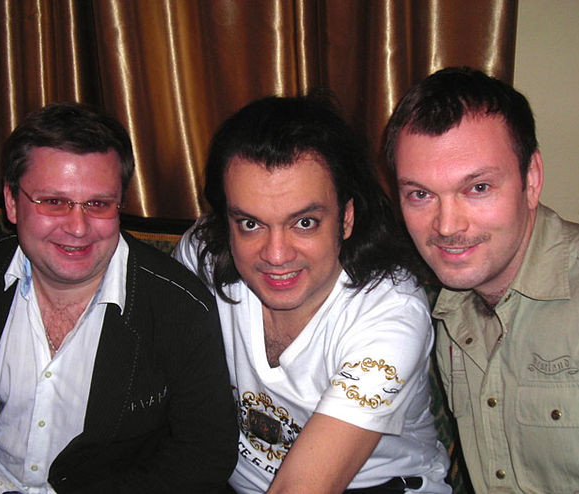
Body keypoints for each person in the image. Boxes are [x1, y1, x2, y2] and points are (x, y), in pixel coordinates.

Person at [0, 102, 237, 493]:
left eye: (98, 204)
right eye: (54, 202)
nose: (78, 227)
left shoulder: (181, 307)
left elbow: (205, 454)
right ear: (12, 202)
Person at [173, 95, 450, 494]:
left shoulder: (390, 312)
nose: (276, 255)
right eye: (250, 224)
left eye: (304, 222)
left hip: (379, 486)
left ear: (346, 219)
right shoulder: (206, 254)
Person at [383, 66, 579, 493]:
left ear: (531, 179)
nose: (447, 226)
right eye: (421, 195)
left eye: (478, 188)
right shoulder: (443, 306)